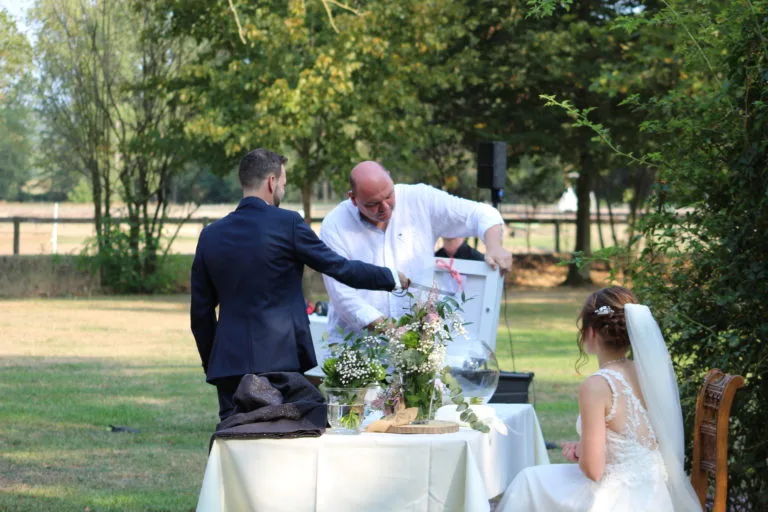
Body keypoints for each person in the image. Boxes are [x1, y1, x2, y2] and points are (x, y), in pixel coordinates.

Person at [190, 149, 410, 422]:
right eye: (283, 182)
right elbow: (339, 267)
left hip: (228, 365)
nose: (283, 187)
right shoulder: (288, 223)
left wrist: (213, 363)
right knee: (289, 443)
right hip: (280, 361)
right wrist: (390, 277)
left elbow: (200, 314)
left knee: (236, 441)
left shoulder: (210, 235)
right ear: (271, 182)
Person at [497, 286, 702, 512]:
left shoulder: (597, 386)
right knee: (533, 479)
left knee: (528, 482)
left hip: (618, 499)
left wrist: (581, 452)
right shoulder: (645, 373)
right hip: (654, 494)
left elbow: (594, 470)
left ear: (591, 332)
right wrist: (585, 447)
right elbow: (630, 441)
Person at [319, 160, 513, 342]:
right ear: (353, 198)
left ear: (390, 177)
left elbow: (482, 213)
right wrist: (392, 331)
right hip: (358, 347)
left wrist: (494, 246)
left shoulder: (419, 198)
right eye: (372, 204)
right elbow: (342, 294)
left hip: (420, 348)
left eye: (389, 196)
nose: (384, 207)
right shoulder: (335, 225)